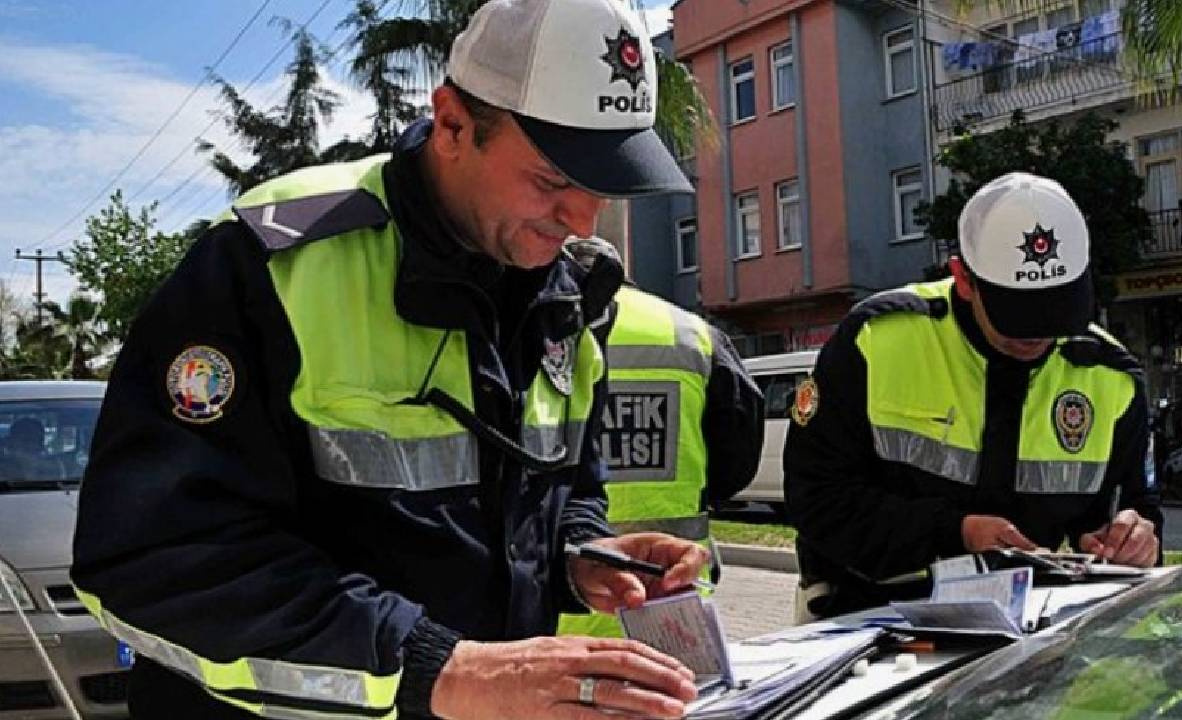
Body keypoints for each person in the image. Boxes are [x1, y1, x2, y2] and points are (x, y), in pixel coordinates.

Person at [70, 1, 712, 718]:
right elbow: (152, 561)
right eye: (554, 180)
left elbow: (562, 489)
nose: (582, 220)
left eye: (604, 186)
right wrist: (444, 669)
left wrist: (580, 555)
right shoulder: (272, 264)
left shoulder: (563, 294)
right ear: (452, 125)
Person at [784, 172, 1163, 621]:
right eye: (1019, 313)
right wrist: (955, 532)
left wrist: (1135, 538)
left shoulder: (1110, 376)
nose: (1038, 334)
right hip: (869, 612)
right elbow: (815, 498)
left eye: (1058, 307)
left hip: (1029, 624)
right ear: (963, 278)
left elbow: (1133, 508)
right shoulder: (877, 340)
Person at [557, 237, 765, 637]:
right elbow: (737, 462)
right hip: (666, 606)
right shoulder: (692, 334)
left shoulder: (526, 327)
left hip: (549, 616)